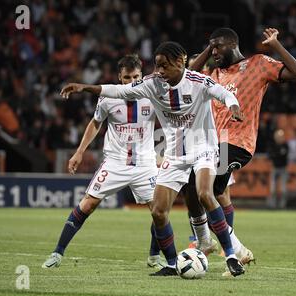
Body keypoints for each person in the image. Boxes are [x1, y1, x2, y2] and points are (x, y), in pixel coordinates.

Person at [60, 41, 246, 277]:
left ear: (180, 63)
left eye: (164, 66)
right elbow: (120, 91)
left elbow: (224, 93)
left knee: (204, 194)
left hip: (203, 148)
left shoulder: (199, 83)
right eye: (157, 66)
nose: (159, 71)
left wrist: (233, 106)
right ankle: (170, 264)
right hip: (175, 155)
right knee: (158, 212)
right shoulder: (152, 84)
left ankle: (231, 256)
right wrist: (84, 87)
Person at [187, 27, 296, 273]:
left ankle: (217, 247)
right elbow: (187, 76)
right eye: (211, 48)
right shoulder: (214, 74)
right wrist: (208, 49)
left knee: (210, 190)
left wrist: (276, 46)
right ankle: (236, 251)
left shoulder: (258, 64)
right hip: (213, 145)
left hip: (239, 143)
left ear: (233, 44)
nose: (214, 52)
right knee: (204, 191)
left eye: (218, 47)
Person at [42, 54, 166, 269]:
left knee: (159, 212)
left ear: (141, 75)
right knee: (87, 204)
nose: (131, 82)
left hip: (145, 163)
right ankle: (57, 253)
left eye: (136, 76)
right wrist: (79, 152)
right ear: (120, 77)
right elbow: (95, 123)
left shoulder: (152, 95)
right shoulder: (108, 98)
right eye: (127, 77)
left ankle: (154, 256)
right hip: (115, 162)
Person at [267, 129, 289, 209]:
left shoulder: (285, 145)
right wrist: (278, 154)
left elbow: (282, 155)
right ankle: (272, 206)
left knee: (283, 189)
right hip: (275, 167)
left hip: (283, 168)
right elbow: (270, 155)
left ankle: (282, 206)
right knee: (272, 189)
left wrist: (276, 154)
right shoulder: (272, 145)